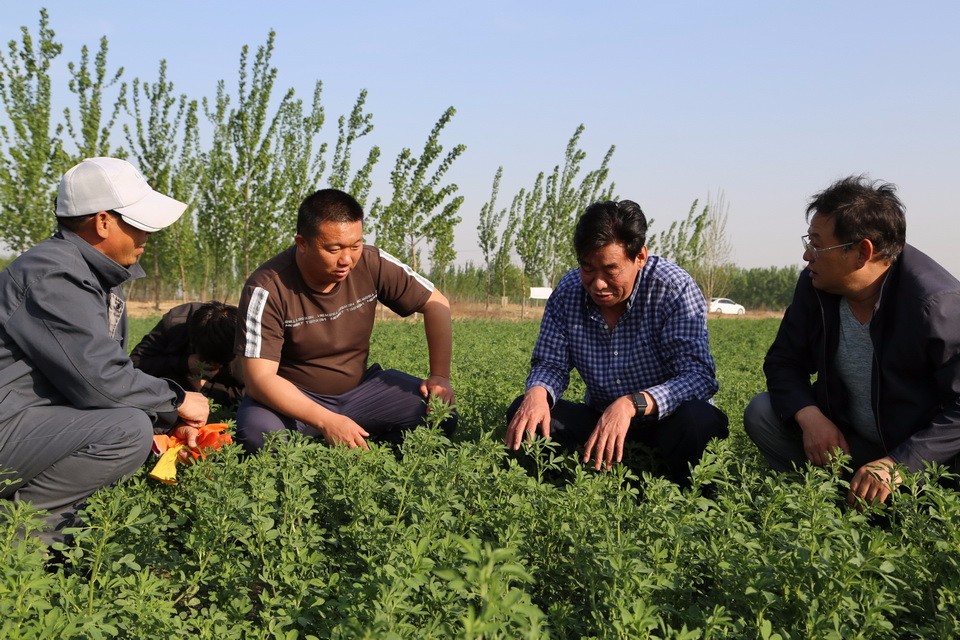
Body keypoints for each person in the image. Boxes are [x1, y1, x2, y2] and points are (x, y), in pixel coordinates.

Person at [0, 157, 210, 542]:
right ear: (103, 222)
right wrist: (176, 400)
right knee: (126, 430)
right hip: (8, 423)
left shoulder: (92, 276)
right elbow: (97, 380)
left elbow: (99, 380)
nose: (148, 235)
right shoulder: (54, 274)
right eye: (139, 223)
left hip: (21, 421)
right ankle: (17, 543)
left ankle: (42, 544)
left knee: (133, 426)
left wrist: (161, 421)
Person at [744, 175, 960, 505]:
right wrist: (810, 416)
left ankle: (914, 507)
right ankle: (817, 503)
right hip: (850, 442)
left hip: (915, 456)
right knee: (762, 411)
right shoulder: (816, 287)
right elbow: (783, 362)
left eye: (817, 244)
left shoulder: (935, 306)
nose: (807, 256)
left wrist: (899, 464)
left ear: (862, 252)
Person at [505, 199, 729, 486]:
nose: (597, 283)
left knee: (700, 421)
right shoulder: (569, 291)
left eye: (610, 270)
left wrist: (632, 404)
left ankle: (681, 490)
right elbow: (551, 363)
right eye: (587, 268)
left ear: (640, 257)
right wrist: (537, 394)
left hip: (666, 421)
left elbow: (698, 378)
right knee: (525, 411)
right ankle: (564, 479)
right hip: (601, 420)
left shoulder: (672, 289)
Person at [234, 188, 456, 453]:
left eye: (355, 245)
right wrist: (326, 420)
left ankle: (367, 450)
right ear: (302, 243)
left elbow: (437, 303)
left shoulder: (372, 262)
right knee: (258, 435)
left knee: (441, 415)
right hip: (294, 400)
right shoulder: (268, 288)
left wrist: (440, 376)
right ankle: (334, 437)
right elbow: (259, 380)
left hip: (360, 391)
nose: (347, 259)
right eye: (334, 248)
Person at [131, 301, 244, 411]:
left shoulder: (244, 336)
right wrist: (184, 363)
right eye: (207, 360)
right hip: (175, 386)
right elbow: (135, 363)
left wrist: (206, 388)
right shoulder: (176, 321)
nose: (215, 366)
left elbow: (249, 393)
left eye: (221, 363)